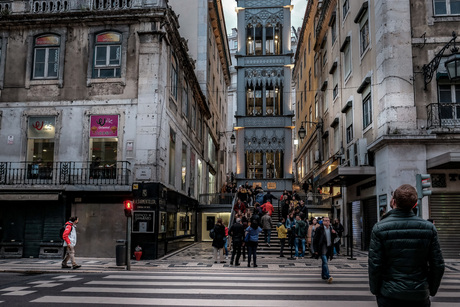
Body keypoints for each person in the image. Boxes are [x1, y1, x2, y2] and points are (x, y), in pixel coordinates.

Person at [368, 184, 445, 307]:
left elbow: (375, 265)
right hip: (419, 294)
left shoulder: (380, 228)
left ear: (393, 202)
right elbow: (438, 265)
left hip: (389, 294)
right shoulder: (429, 228)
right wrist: (430, 289)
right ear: (415, 205)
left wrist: (376, 290)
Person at [313, 216, 336, 284]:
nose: (327, 222)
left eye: (328, 220)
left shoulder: (331, 228)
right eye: (325, 220)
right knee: (325, 262)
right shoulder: (319, 229)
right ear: (323, 222)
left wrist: (334, 233)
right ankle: (328, 276)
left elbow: (334, 238)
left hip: (329, 248)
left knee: (324, 262)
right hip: (322, 248)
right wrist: (315, 250)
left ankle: (323, 275)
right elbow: (315, 240)